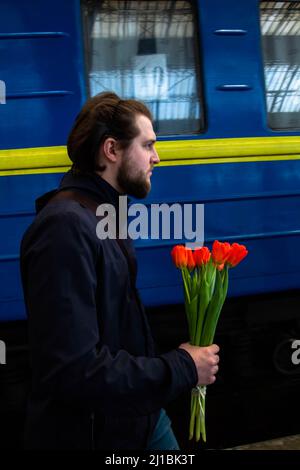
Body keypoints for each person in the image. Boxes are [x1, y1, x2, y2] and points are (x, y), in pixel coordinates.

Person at [20, 92, 220, 450]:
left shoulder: (101, 216)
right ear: (111, 150)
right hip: (98, 431)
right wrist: (183, 368)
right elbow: (73, 369)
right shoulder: (65, 227)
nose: (156, 158)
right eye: (148, 145)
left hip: (132, 416)